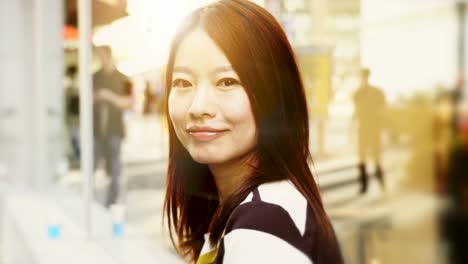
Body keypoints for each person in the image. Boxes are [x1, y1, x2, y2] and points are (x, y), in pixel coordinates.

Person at [162, 1, 343, 263]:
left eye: (227, 81)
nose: (198, 107)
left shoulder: (261, 231)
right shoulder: (258, 206)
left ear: (274, 95)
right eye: (183, 82)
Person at [93, 45, 133, 207]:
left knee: (115, 167)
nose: (100, 59)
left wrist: (109, 97)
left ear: (108, 56)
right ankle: (92, 201)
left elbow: (129, 102)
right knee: (93, 165)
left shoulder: (124, 78)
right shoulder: (93, 77)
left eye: (102, 56)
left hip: (115, 130)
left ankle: (112, 202)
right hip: (95, 130)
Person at [352, 68, 386, 194]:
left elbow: (381, 111)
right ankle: (367, 186)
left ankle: (378, 184)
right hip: (367, 129)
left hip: (370, 129)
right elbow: (356, 111)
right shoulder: (360, 93)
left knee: (372, 157)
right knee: (365, 158)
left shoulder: (372, 92)